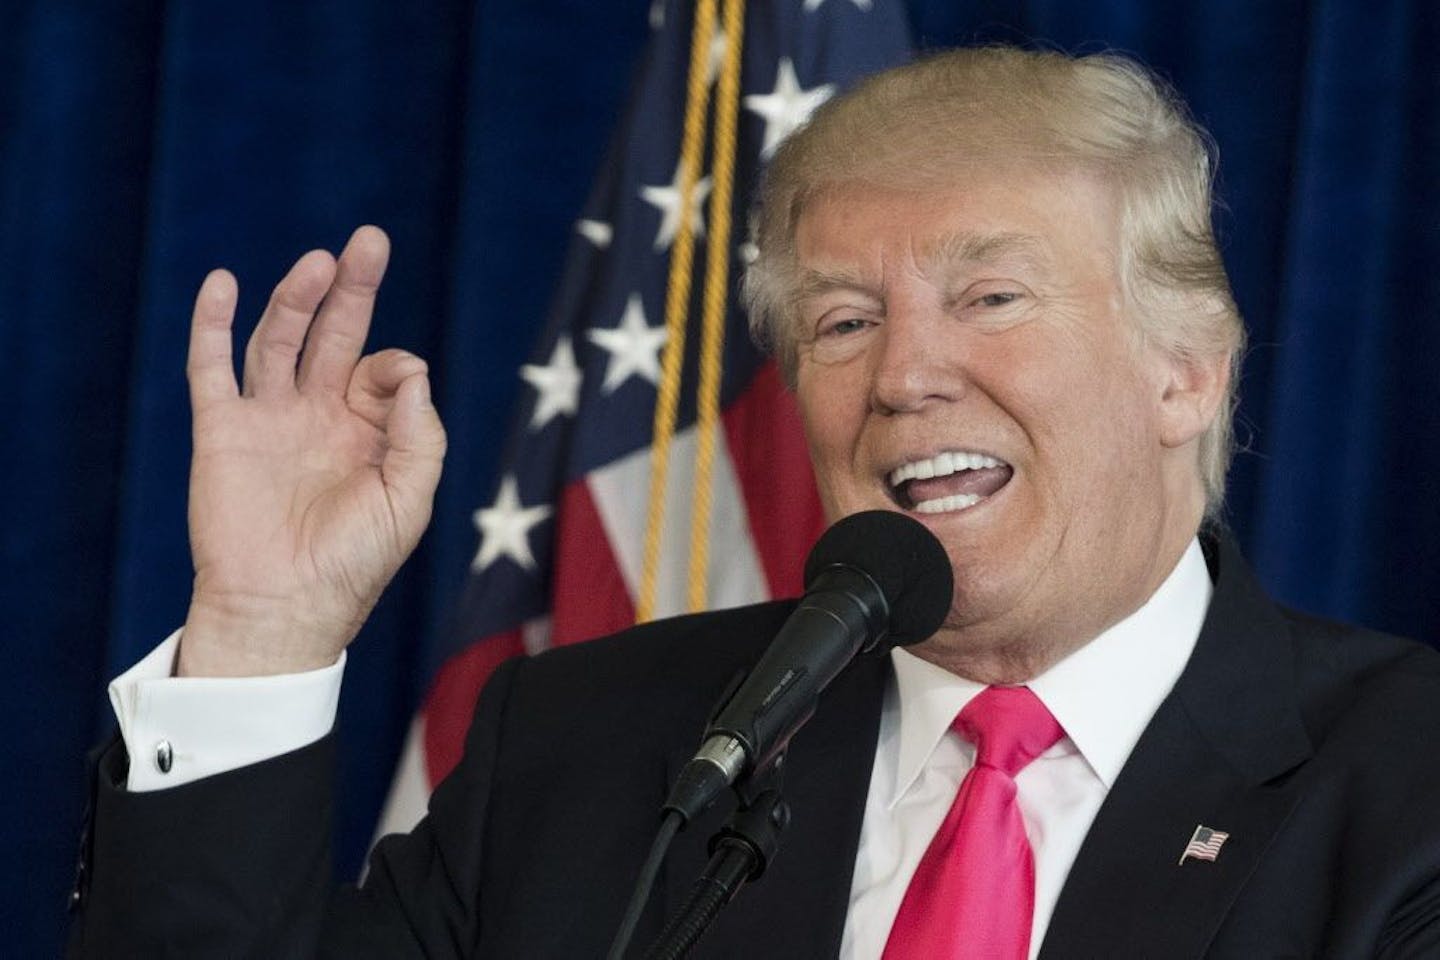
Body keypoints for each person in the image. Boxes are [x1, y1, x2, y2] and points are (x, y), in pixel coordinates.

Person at [69, 46, 1440, 959]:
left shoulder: (1405, 791)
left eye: (991, 299)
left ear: (1185, 371)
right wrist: (261, 626)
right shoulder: (590, 751)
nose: (903, 374)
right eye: (843, 323)